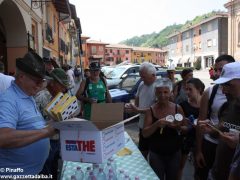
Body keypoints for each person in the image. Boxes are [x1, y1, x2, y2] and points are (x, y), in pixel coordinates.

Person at [0, 51, 56, 175]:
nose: (40, 85)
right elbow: (3, 137)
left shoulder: (27, 95)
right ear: (21, 77)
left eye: (42, 81)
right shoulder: (8, 99)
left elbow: (29, 126)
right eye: (37, 81)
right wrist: (46, 132)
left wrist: (53, 124)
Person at [195, 54, 235, 180]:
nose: (218, 73)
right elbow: (201, 123)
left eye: (221, 70)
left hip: (230, 149)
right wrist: (198, 150)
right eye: (216, 69)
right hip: (210, 144)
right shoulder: (210, 91)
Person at [142, 78, 187, 180]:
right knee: (157, 177)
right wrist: (157, 124)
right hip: (156, 153)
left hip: (174, 152)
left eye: (166, 92)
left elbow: (186, 128)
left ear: (171, 93)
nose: (162, 95)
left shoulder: (177, 108)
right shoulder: (151, 110)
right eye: (159, 92)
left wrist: (178, 127)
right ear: (155, 93)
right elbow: (145, 133)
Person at [34, 68, 70, 178]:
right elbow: (35, 124)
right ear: (53, 83)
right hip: (45, 142)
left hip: (57, 139)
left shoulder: (61, 97)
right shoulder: (41, 97)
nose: (64, 89)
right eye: (62, 85)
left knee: (54, 168)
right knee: (45, 170)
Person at [125, 62, 157, 159]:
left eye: (144, 77)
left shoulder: (159, 87)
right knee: (142, 152)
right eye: (141, 76)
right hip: (142, 124)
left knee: (154, 155)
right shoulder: (142, 84)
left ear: (153, 75)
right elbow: (137, 101)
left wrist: (137, 109)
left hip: (154, 126)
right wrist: (132, 108)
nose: (141, 79)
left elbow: (156, 109)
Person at [177, 78, 205, 180]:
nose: (187, 92)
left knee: (199, 167)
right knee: (180, 166)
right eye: (186, 89)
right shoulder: (183, 105)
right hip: (186, 139)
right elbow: (179, 126)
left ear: (199, 89)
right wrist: (185, 125)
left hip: (201, 140)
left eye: (190, 89)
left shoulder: (206, 104)